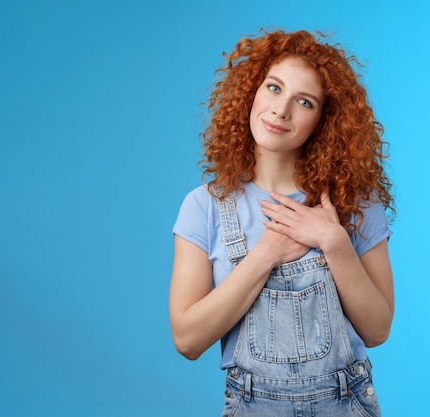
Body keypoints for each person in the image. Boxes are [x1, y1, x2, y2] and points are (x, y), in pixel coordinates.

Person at [169, 29, 396, 416]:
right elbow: (188, 339)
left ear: (324, 121)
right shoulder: (204, 206)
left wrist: (334, 241)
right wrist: (265, 256)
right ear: (252, 92)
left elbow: (377, 330)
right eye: (274, 88)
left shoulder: (354, 203)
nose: (281, 110)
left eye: (304, 101)